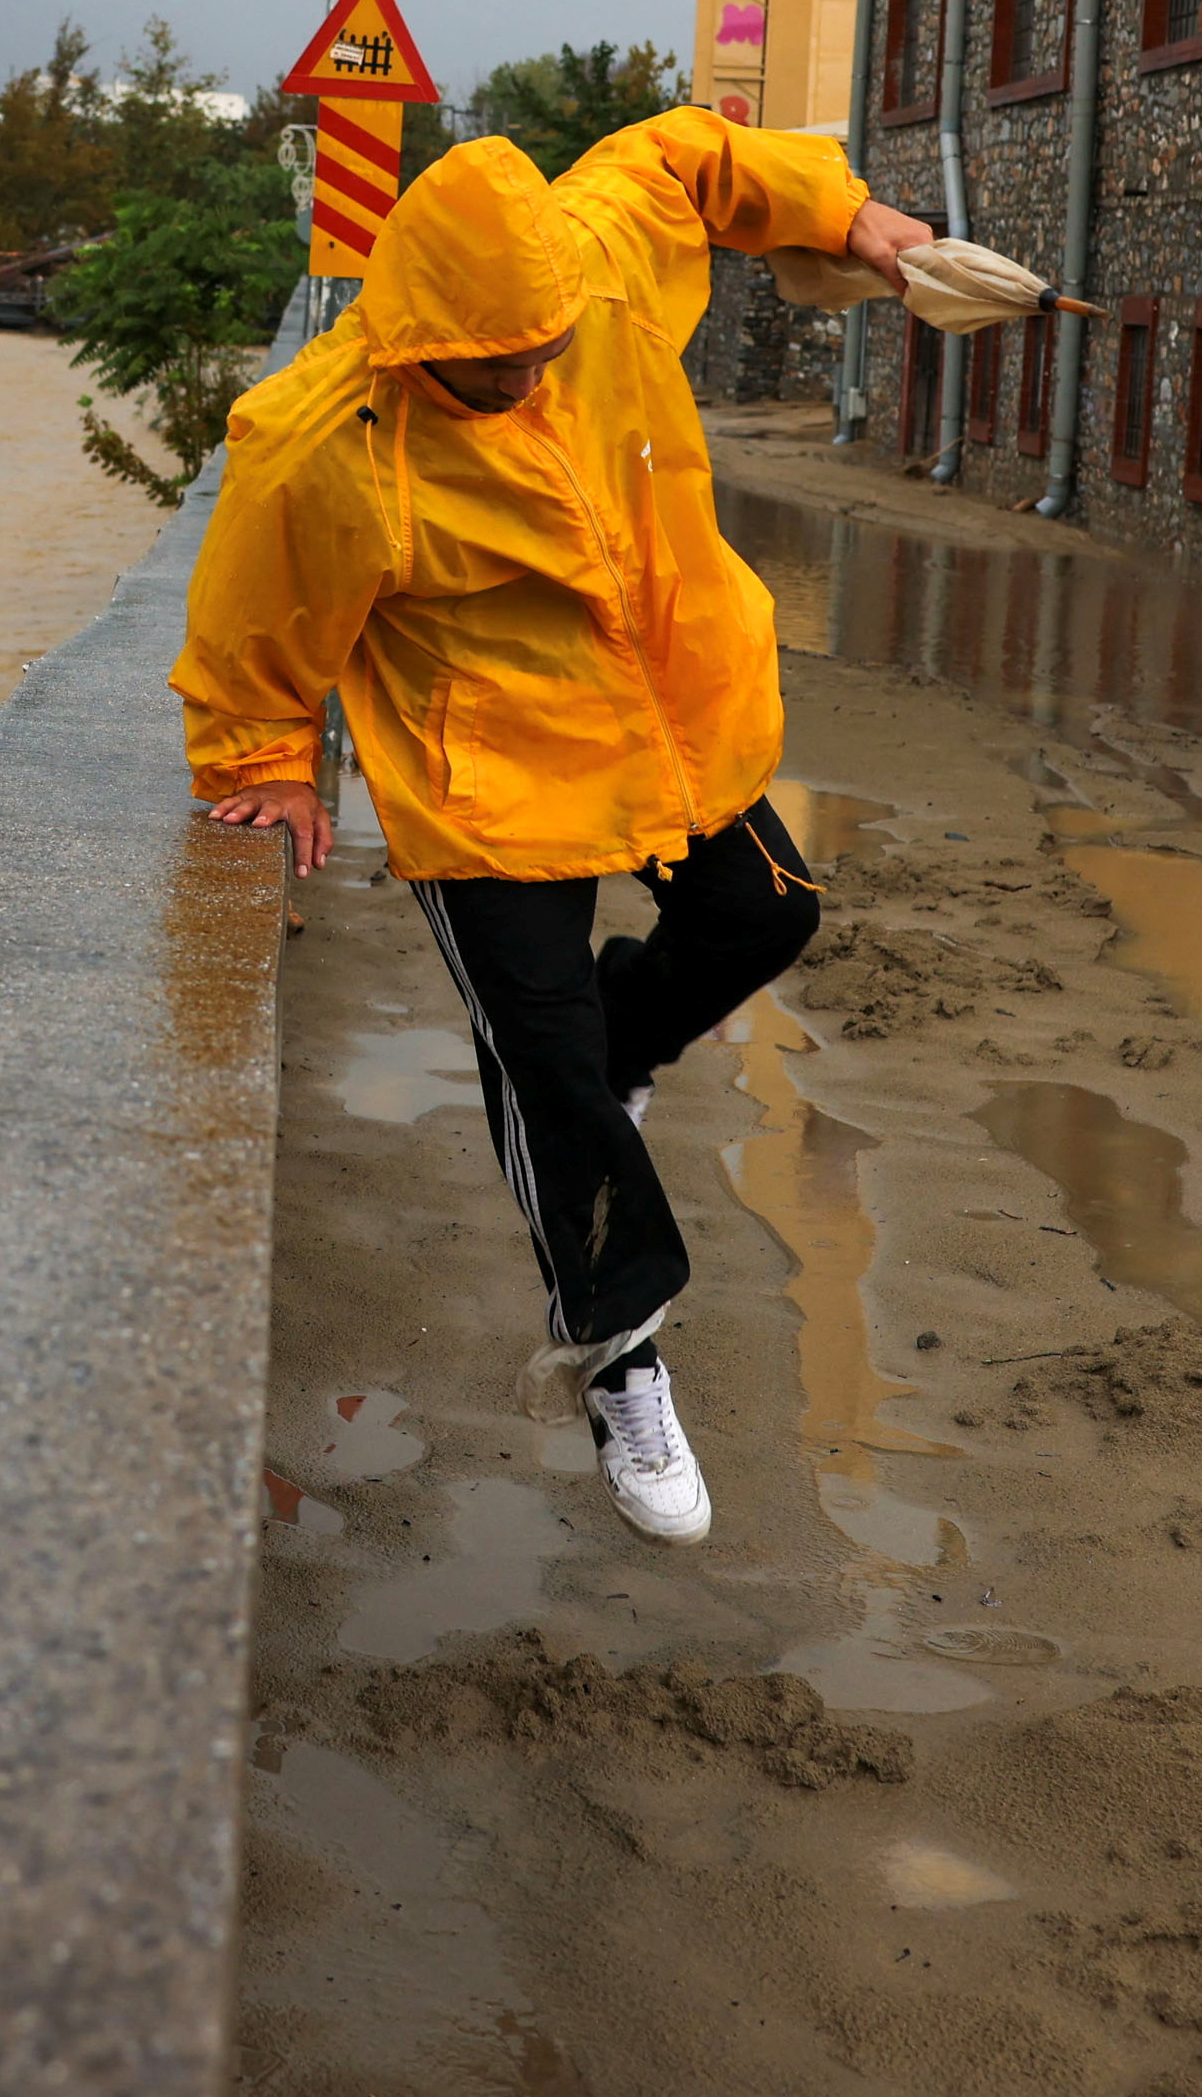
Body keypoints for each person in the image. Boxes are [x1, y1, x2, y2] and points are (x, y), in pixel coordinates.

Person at [174, 110, 932, 1542]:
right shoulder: (334, 440)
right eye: (492, 365)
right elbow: (251, 601)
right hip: (489, 785)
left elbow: (687, 156)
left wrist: (842, 217)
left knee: (768, 913)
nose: (526, 376)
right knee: (542, 1059)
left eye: (541, 350)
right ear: (416, 345)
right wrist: (265, 752)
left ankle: (619, 1042)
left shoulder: (586, 265)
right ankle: (617, 1352)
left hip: (660, 717)